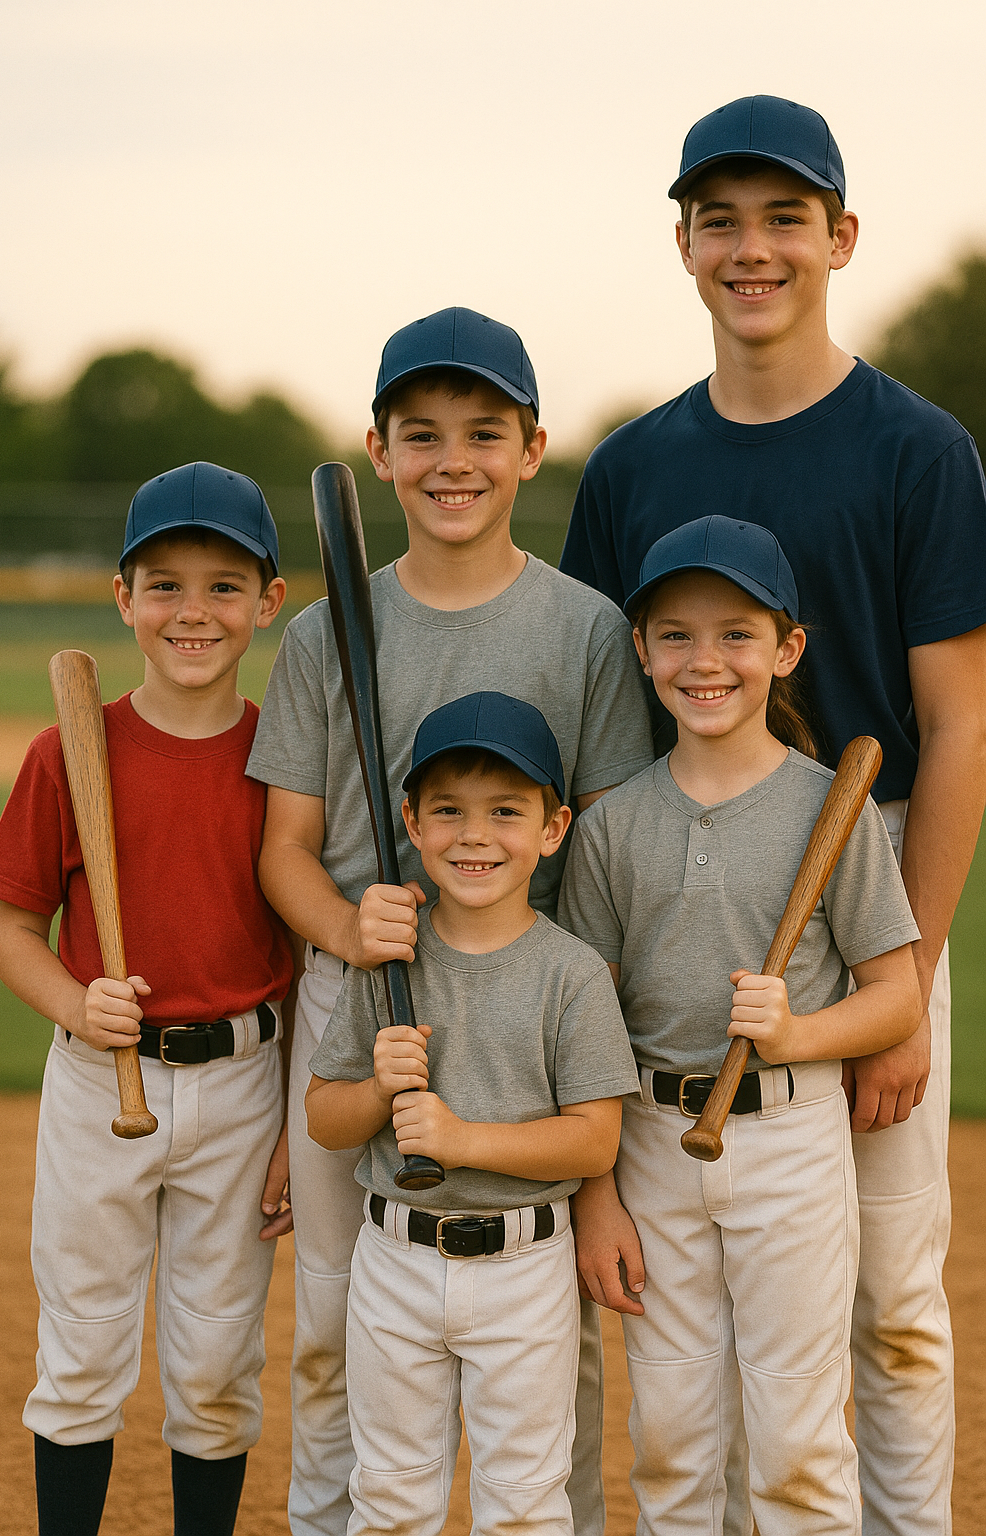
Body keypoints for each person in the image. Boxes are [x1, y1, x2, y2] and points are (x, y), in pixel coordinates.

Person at [560, 95, 986, 1533]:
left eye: (784, 217)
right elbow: (617, 743)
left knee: (890, 1302)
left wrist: (908, 988)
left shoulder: (918, 449)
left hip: (869, 878)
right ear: (683, 243)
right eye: (722, 219)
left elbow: (961, 725)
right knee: (700, 1326)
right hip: (682, 889)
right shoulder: (628, 468)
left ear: (841, 237)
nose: (753, 250)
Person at [247, 306, 653, 1536]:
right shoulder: (329, 631)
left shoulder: (584, 626)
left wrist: (594, 1182)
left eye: (485, 432)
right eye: (420, 435)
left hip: (538, 1000)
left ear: (533, 449)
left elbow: (599, 876)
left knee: (554, 1353)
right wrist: (350, 934)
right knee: (335, 1326)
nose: (453, 460)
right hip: (364, 999)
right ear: (377, 452)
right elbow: (287, 854)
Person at [560, 517, 923, 1533]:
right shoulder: (613, 823)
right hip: (650, 1145)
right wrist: (597, 1198)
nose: (702, 660)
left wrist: (797, 1032)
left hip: (789, 1143)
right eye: (673, 635)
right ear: (640, 652)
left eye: (734, 634)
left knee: (797, 1445)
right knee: (672, 1445)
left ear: (786, 649)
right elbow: (587, 1022)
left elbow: (895, 996)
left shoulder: (826, 809)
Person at [0, 462, 293, 1536]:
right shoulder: (68, 751)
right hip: (96, 1082)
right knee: (81, 1356)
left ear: (268, 601)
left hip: (246, 1084)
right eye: (163, 584)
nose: (191, 611)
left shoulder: (285, 761)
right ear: (122, 599)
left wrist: (297, 1123)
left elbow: (309, 959)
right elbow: (12, 934)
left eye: (221, 586)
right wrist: (74, 1003)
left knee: (216, 1369)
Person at [306, 691, 642, 1536]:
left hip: (524, 1269)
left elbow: (597, 1139)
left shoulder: (569, 974)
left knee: (523, 1507)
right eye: (448, 811)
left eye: (506, 811)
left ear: (554, 828)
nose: (476, 835)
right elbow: (322, 1117)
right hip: (395, 1259)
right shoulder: (388, 963)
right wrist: (377, 1092)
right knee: (386, 1497)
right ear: (412, 825)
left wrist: (462, 1139)